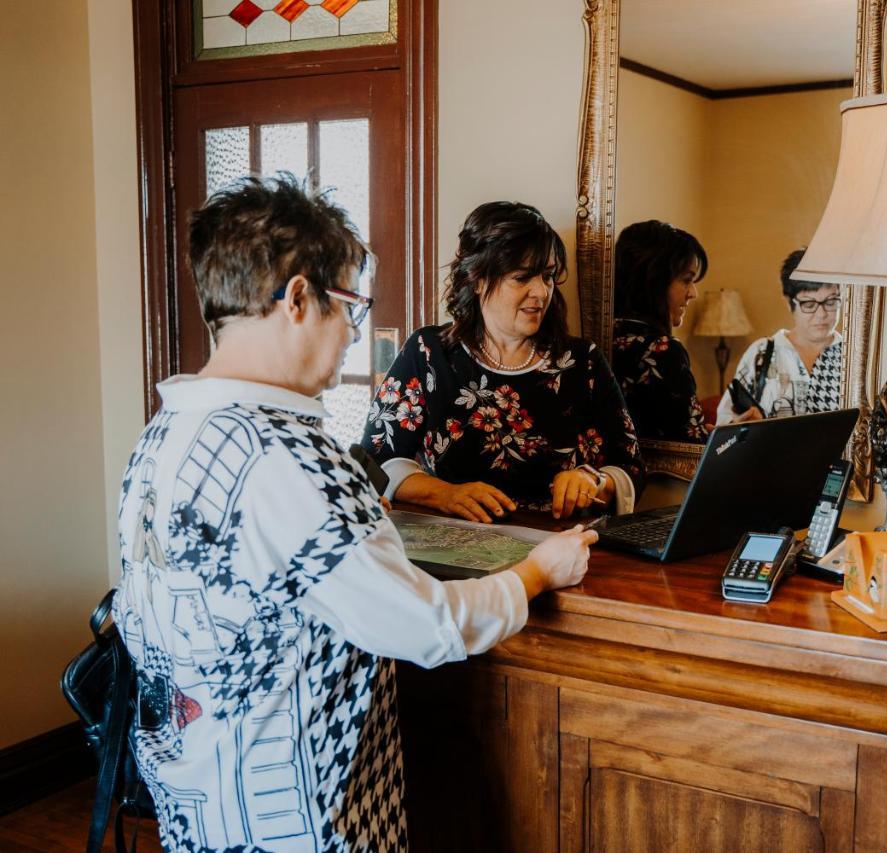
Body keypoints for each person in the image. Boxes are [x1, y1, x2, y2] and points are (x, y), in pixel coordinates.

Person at [112, 176, 598, 851]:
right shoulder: (298, 460)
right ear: (299, 299)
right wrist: (538, 572)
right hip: (299, 812)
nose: (352, 333)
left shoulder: (159, 437)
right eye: (349, 305)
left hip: (194, 793)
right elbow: (426, 624)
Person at [362, 201, 644, 522]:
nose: (541, 292)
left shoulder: (582, 362)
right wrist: (444, 494)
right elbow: (374, 462)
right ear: (478, 278)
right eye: (522, 277)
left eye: (548, 276)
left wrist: (593, 481)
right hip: (449, 546)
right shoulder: (428, 353)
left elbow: (630, 466)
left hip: (559, 548)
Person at [716, 248, 845, 424]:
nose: (821, 314)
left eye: (830, 302)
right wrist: (740, 424)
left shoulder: (851, 357)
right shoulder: (762, 353)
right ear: (788, 302)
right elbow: (724, 421)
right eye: (809, 304)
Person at [610, 219, 710, 442]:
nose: (693, 293)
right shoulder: (663, 350)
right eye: (686, 280)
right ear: (654, 281)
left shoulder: (602, 338)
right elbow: (692, 449)